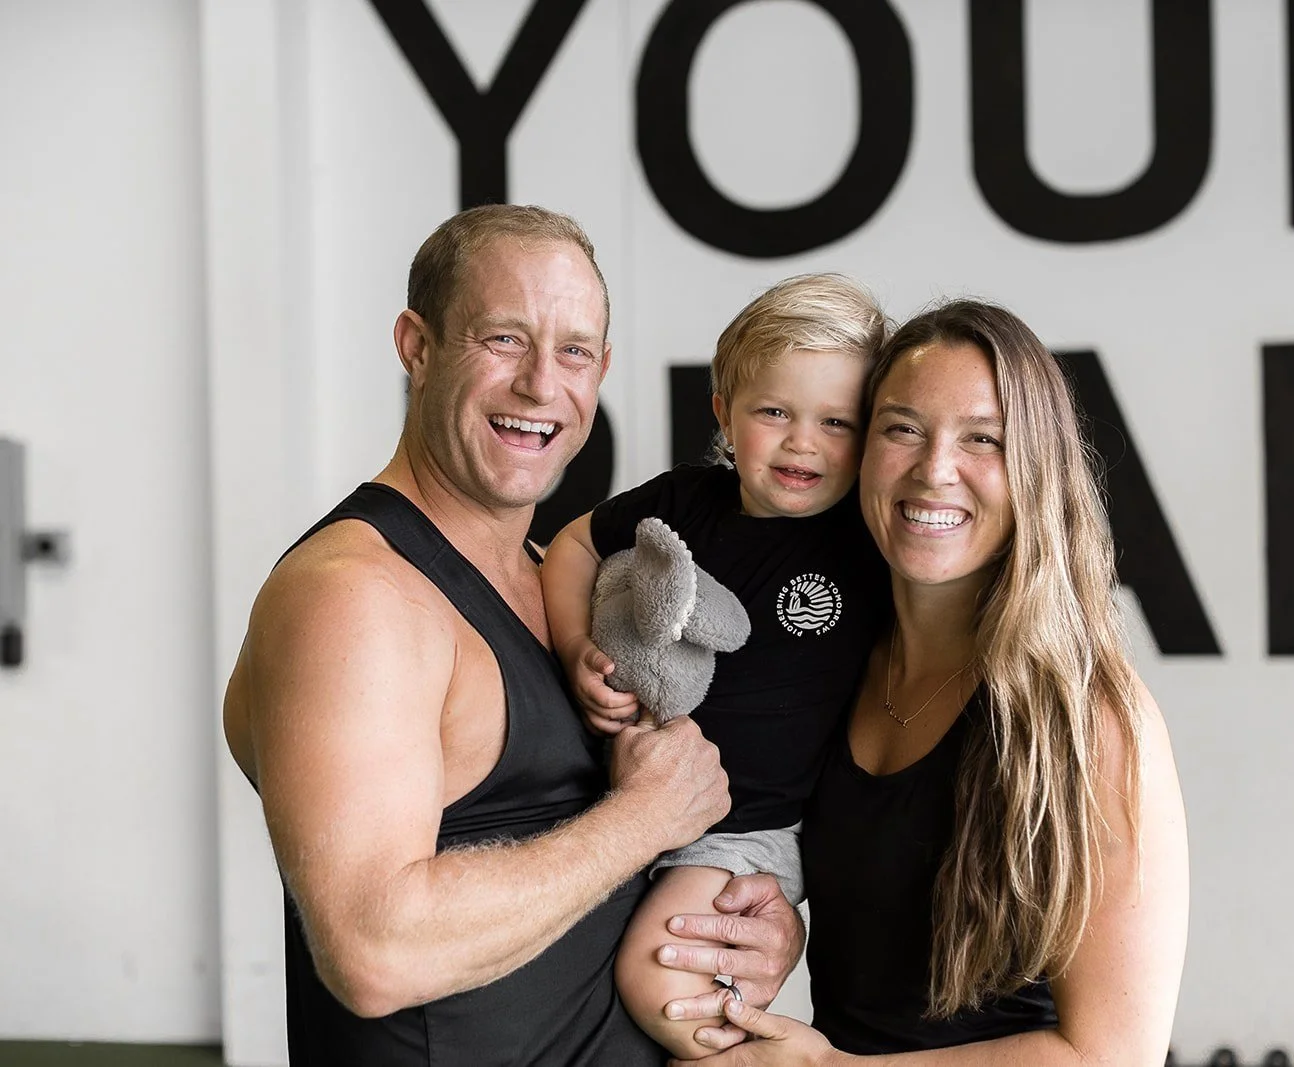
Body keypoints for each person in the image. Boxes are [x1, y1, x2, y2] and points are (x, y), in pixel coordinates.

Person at [220, 204, 803, 1066]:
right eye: (503, 339)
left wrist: (753, 925)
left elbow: (599, 879)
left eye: (574, 352)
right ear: (417, 346)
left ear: (601, 371)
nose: (540, 385)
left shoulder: (551, 575)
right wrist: (642, 819)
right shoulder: (354, 597)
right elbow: (374, 951)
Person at [656, 300, 1190, 1064]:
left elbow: (1111, 1054)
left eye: (983, 438)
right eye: (902, 429)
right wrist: (774, 916)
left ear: (1035, 468)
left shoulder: (1092, 714)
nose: (934, 469)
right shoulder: (832, 663)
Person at [541, 274, 890, 1059]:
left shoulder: (865, 541)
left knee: (659, 982)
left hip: (744, 829)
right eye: (775, 412)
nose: (803, 442)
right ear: (725, 412)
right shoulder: (684, 502)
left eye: (837, 422)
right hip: (624, 798)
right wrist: (574, 649)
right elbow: (572, 547)